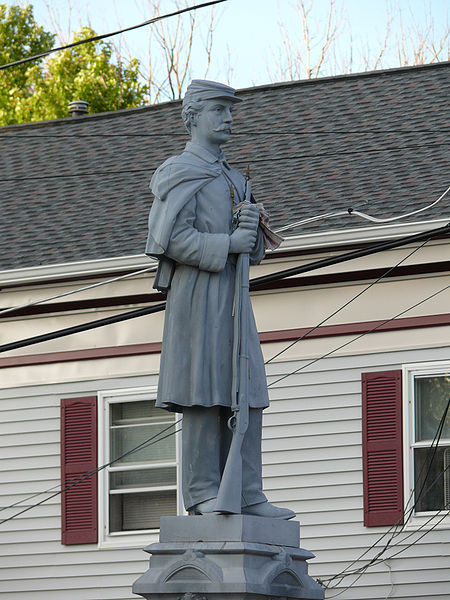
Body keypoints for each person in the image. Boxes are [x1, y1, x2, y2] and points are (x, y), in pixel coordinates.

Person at [146, 79, 294, 520]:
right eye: (218, 110)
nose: (228, 118)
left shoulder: (234, 177)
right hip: (197, 298)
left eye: (231, 111)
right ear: (193, 116)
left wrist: (250, 234)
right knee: (203, 391)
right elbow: (170, 237)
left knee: (245, 389)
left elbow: (249, 249)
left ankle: (248, 492)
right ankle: (203, 492)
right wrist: (228, 244)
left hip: (234, 297)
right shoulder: (180, 171)